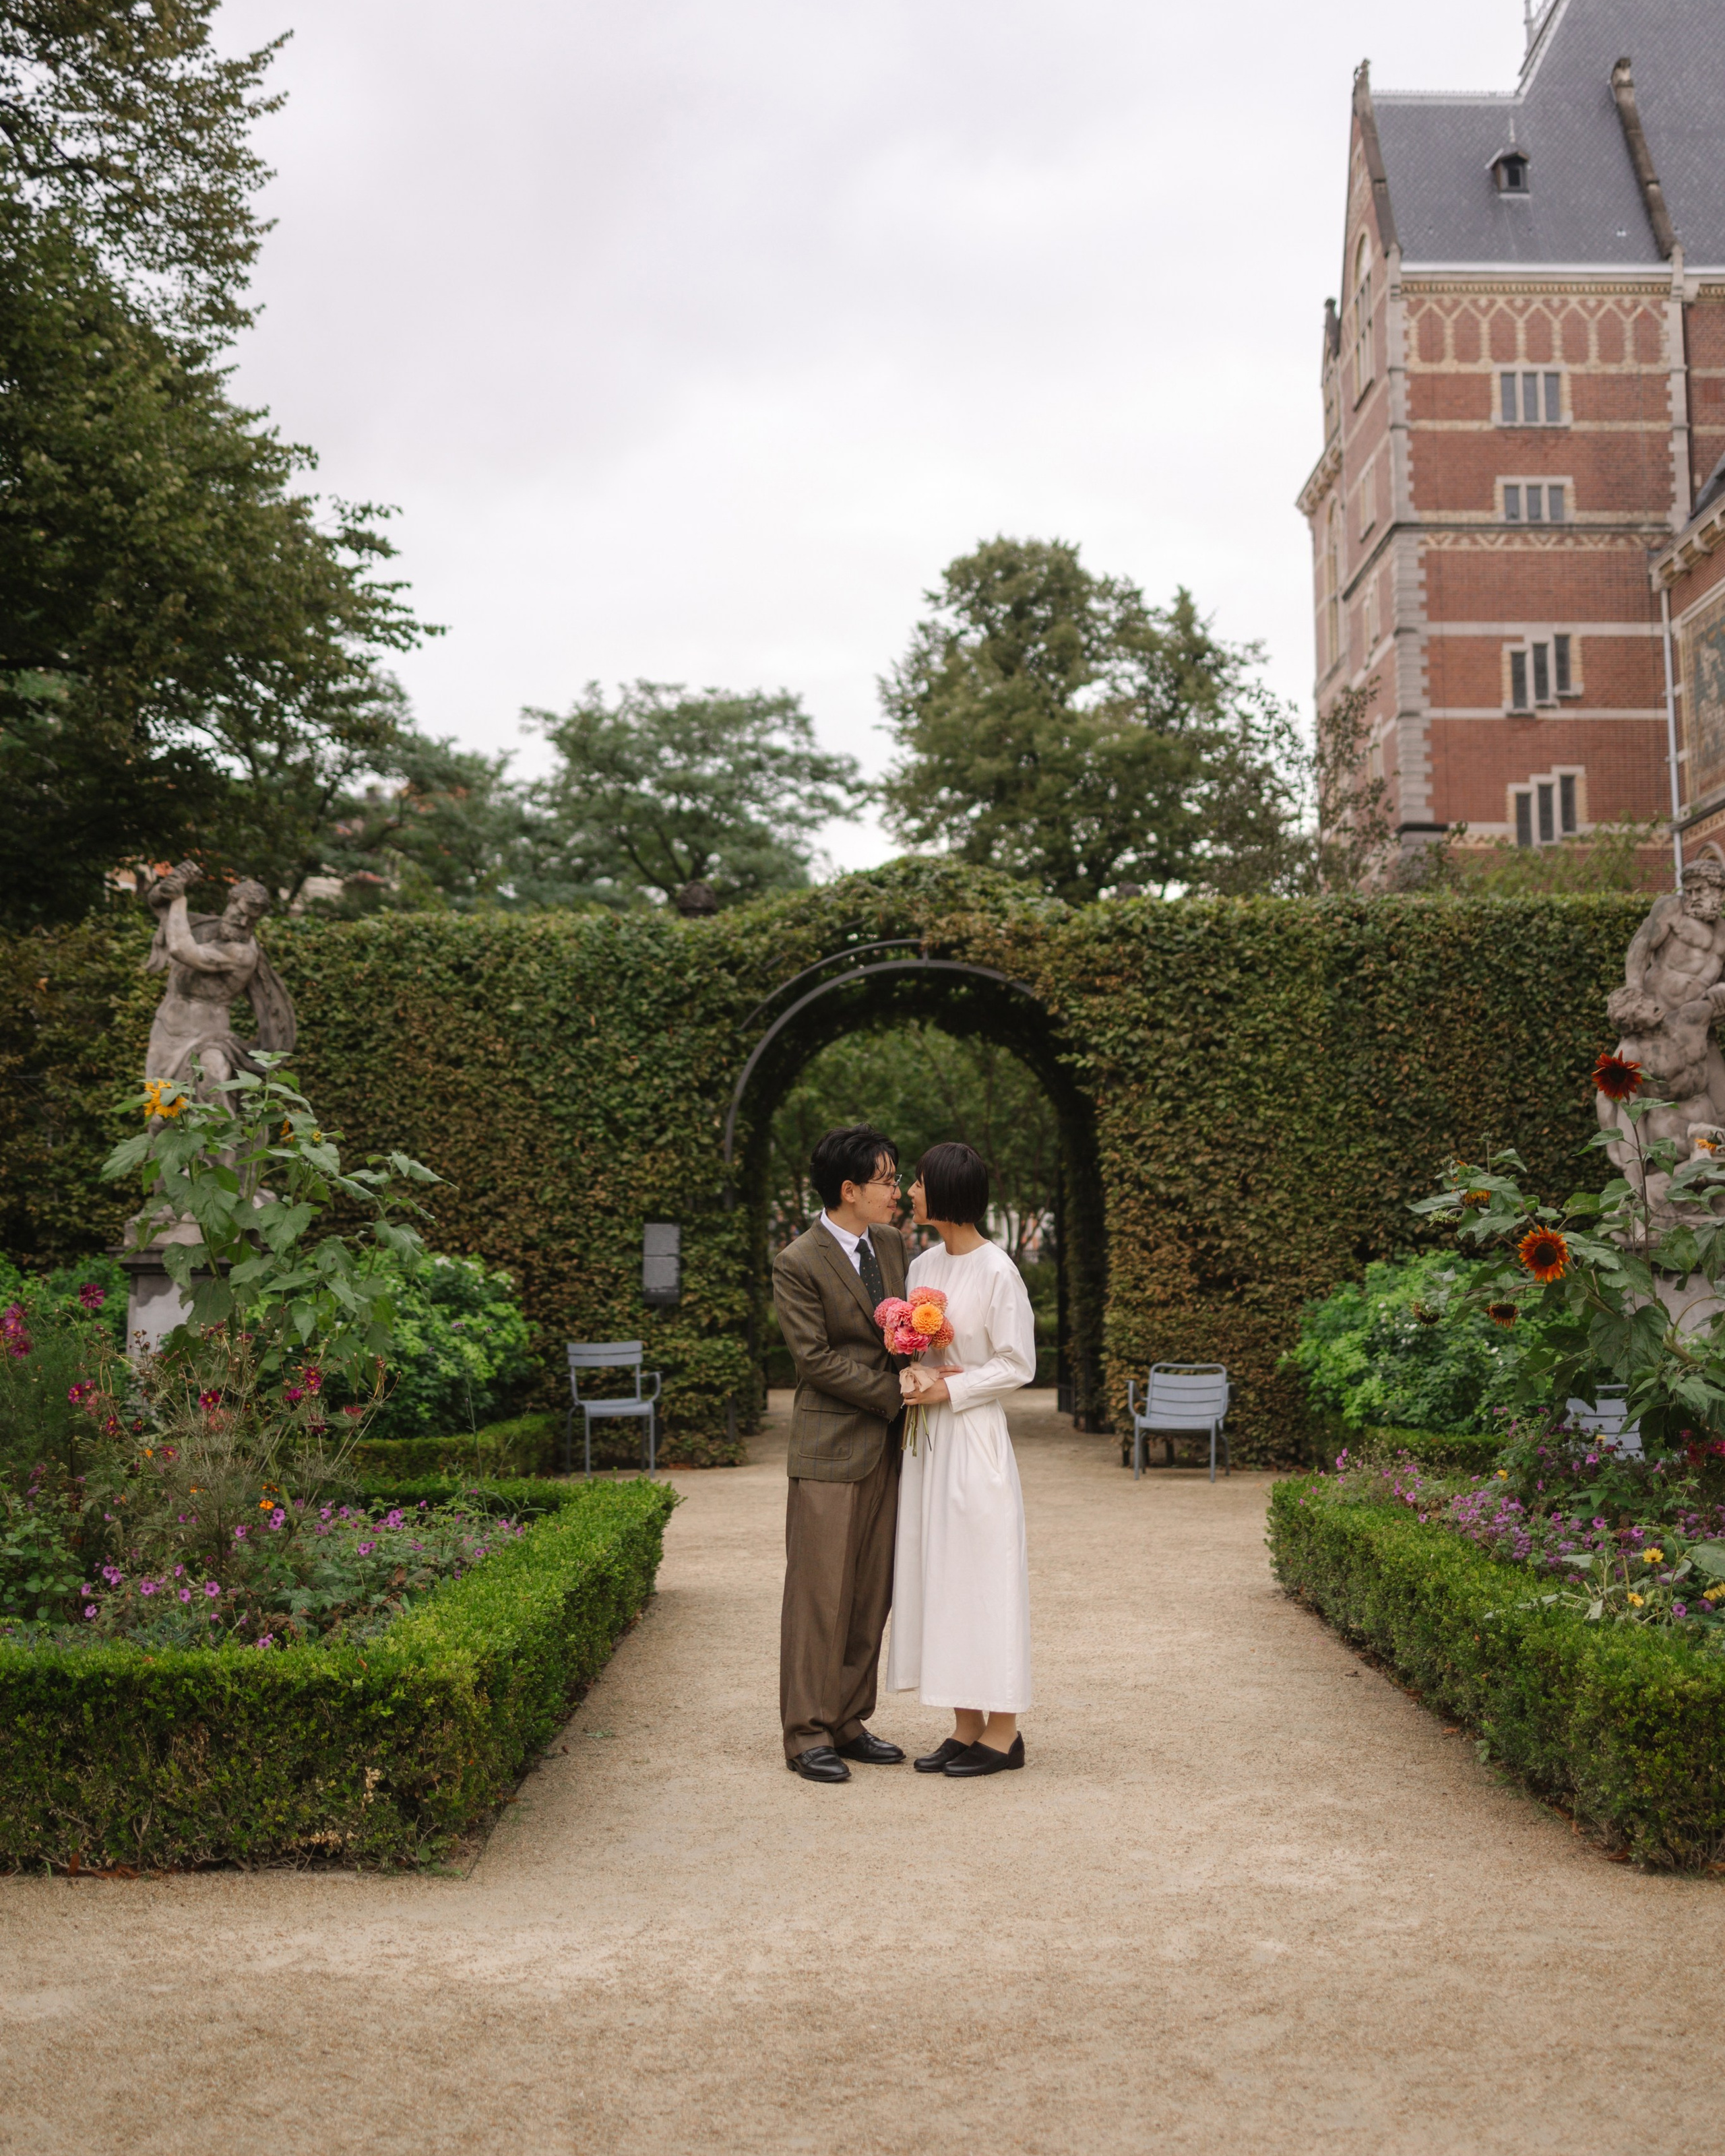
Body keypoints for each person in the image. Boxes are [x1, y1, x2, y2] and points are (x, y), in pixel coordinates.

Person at [885, 1140, 1036, 1777]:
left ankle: (1004, 1733)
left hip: (974, 1439)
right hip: (928, 1442)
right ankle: (964, 1725)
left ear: (946, 1192)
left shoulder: (1000, 1271)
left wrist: (952, 1388)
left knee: (983, 1575)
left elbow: (1018, 1363)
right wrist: (912, 1371)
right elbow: (914, 1349)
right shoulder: (923, 1264)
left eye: (919, 1183)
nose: (910, 1192)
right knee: (940, 1574)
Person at [770, 1125, 910, 1784]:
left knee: (869, 1593)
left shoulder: (893, 1243)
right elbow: (815, 1360)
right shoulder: (797, 1261)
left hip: (890, 1449)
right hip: (829, 1448)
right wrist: (896, 1392)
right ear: (849, 1189)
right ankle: (806, 1733)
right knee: (818, 1598)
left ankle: (849, 1719)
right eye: (886, 1180)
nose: (896, 1191)